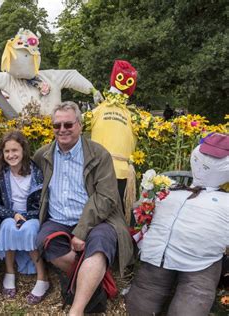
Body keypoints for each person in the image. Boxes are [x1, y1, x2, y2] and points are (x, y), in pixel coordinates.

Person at [33, 102, 133, 316]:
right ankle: (95, 280)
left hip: (99, 219)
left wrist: (81, 230)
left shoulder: (99, 155)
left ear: (79, 125)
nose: (62, 130)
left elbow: (106, 197)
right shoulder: (43, 155)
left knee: (99, 244)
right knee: (45, 242)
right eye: (56, 125)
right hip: (58, 218)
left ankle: (76, 310)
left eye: (68, 124)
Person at [126, 133, 229, 316]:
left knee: (188, 295)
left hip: (187, 259)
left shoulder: (170, 191)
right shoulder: (170, 189)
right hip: (174, 258)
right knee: (152, 294)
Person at [0, 130, 49, 304]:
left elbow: (44, 203)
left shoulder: (36, 172)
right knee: (8, 226)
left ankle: (43, 278)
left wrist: (26, 217)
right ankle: (9, 272)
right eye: (7, 151)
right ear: (2, 154)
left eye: (15, 150)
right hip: (9, 214)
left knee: (28, 229)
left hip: (32, 215)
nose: (11, 155)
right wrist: (13, 214)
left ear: (23, 151)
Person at [91, 60, 138, 223]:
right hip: (107, 172)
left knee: (108, 216)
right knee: (112, 217)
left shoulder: (98, 111)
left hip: (110, 173)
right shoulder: (133, 116)